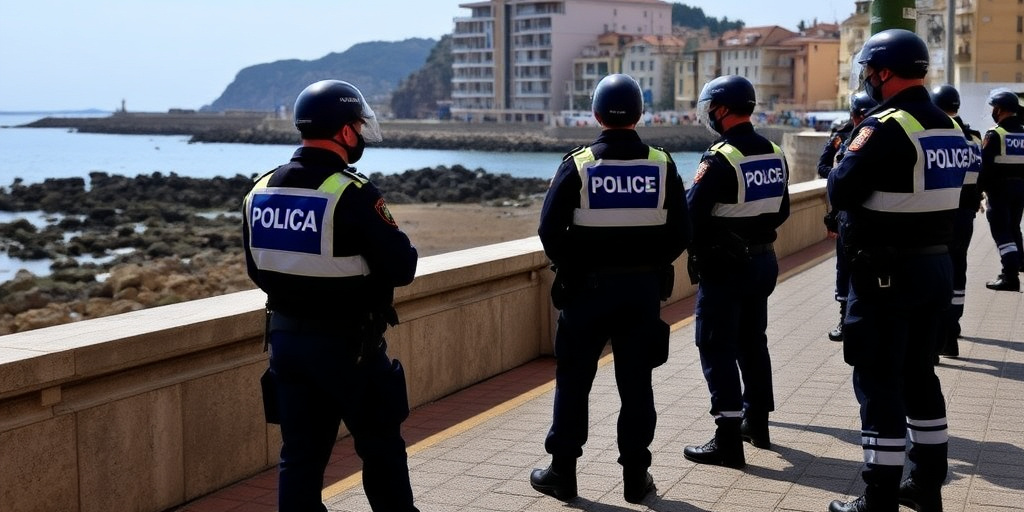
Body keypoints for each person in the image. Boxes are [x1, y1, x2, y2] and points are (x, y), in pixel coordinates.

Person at [242, 79, 420, 512]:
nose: (361, 134)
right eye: (358, 126)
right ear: (344, 131)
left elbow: (257, 270)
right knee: (380, 448)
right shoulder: (351, 192)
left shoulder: (259, 190)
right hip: (349, 348)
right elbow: (402, 268)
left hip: (286, 344)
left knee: (300, 456)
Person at [826, 29, 969, 512]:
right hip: (936, 266)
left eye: (869, 69)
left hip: (887, 276)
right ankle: (926, 484)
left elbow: (840, 188)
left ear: (884, 71)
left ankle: (879, 496)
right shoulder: (950, 127)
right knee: (920, 377)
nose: (867, 77)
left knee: (878, 381)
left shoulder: (885, 126)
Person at [532, 73, 691, 504]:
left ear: (596, 114)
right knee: (637, 385)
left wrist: (573, 267)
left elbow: (549, 230)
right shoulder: (662, 164)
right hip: (641, 292)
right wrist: (652, 264)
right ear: (640, 113)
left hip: (586, 292)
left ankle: (562, 473)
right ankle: (636, 478)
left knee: (573, 383)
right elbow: (682, 231)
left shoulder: (580, 164)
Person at [682, 74, 790, 469]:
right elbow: (782, 210)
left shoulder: (720, 157)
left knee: (716, 345)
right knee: (752, 342)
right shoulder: (774, 151)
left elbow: (691, 214)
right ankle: (756, 422)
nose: (709, 115)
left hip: (726, 267)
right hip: (763, 261)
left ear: (723, 109)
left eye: (711, 108)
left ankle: (727, 437)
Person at [819, 92, 878, 342]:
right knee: (844, 269)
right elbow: (822, 166)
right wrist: (839, 174)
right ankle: (844, 319)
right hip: (844, 214)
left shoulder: (880, 135)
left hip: (871, 216)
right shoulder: (842, 136)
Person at [930, 84, 984, 358]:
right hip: (965, 215)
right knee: (958, 268)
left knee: (937, 273)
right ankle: (953, 328)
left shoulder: (939, 134)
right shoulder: (974, 137)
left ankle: (942, 336)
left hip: (942, 214)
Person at [980, 88, 1024, 292]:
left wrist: (977, 192)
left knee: (1001, 231)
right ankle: (1018, 263)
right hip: (1020, 189)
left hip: (999, 191)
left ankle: (1010, 275)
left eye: (994, 107)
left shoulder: (995, 134)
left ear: (999, 109)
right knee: (1014, 227)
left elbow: (984, 167)